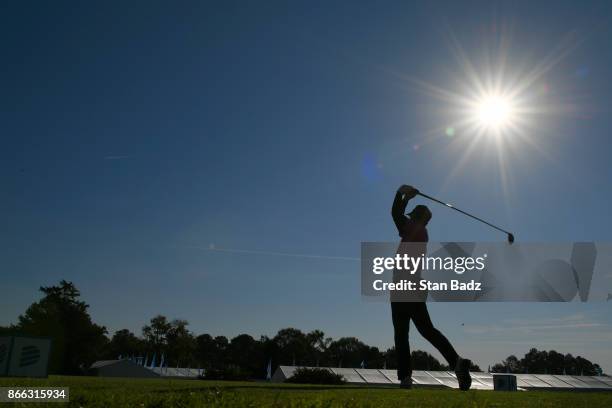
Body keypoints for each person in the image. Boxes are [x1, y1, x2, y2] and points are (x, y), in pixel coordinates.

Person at [390, 184, 472, 390]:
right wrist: (405, 196)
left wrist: (402, 194)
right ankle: (456, 363)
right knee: (424, 330)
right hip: (407, 286)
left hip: (405, 286)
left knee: (404, 334)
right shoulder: (418, 232)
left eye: (411, 216)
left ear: (417, 218)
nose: (406, 220)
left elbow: (395, 213)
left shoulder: (416, 230)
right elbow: (398, 214)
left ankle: (407, 378)